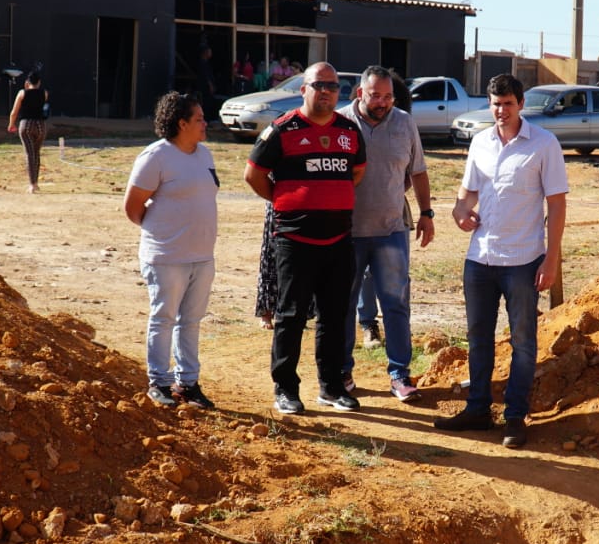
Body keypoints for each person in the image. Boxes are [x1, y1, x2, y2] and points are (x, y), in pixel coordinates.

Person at [436, 73, 568, 449]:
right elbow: (467, 195)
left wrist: (551, 260)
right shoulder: (480, 143)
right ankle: (477, 410)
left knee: (523, 342)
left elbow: (556, 205)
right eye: (495, 103)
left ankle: (514, 417)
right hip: (480, 259)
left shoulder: (544, 144)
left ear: (521, 104)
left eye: (508, 103)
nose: (501, 110)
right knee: (479, 339)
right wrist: (459, 213)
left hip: (523, 260)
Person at [244, 62, 366, 415]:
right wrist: (287, 200)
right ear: (304, 89)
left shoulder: (349, 130)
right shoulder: (282, 129)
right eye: (319, 85)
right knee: (290, 315)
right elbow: (253, 174)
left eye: (333, 85)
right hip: (295, 240)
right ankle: (285, 388)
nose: (326, 91)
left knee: (334, 315)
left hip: (339, 239)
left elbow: (357, 171)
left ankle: (330, 387)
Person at [337, 65, 434, 403]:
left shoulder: (404, 122)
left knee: (395, 304)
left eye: (388, 96)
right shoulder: (339, 123)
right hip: (346, 233)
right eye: (375, 95)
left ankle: (399, 374)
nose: (382, 102)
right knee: (343, 305)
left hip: (392, 230)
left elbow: (417, 171)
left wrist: (426, 213)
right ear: (360, 93)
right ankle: (342, 371)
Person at [122, 91, 218, 410]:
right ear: (181, 123)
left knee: (190, 320)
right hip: (166, 257)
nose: (206, 123)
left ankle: (187, 383)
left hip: (202, 256)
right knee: (163, 317)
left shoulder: (204, 155)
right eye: (199, 119)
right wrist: (162, 234)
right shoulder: (156, 157)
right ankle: (159, 382)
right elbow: (133, 207)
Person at [6, 71, 49, 194]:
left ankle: (32, 184)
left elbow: (14, 112)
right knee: (36, 153)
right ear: (39, 82)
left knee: (29, 154)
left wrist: (11, 124)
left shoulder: (22, 93)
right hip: (40, 125)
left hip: (27, 125)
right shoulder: (44, 93)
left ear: (27, 82)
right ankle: (36, 183)